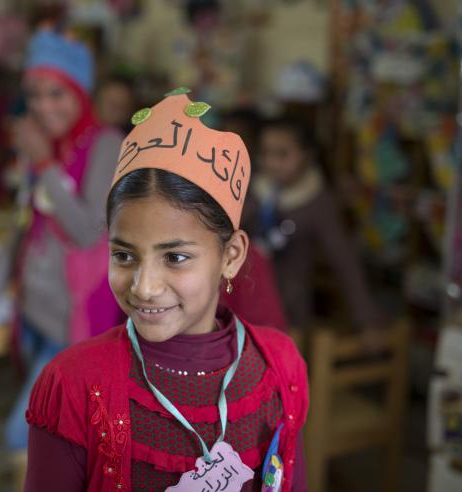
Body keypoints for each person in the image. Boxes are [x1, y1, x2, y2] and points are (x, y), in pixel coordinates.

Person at [25, 90, 308, 491]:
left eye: (174, 258)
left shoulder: (279, 369)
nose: (144, 286)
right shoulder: (74, 384)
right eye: (124, 255)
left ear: (231, 255)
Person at [0, 29, 124, 451]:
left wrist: (43, 163)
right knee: (55, 439)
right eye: (34, 95)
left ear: (81, 92)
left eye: (57, 93)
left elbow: (88, 230)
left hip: (77, 325)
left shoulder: (106, 145)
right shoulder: (45, 146)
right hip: (35, 313)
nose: (43, 106)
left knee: (24, 439)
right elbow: (21, 231)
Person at [244, 116, 382, 332]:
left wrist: (367, 320)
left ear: (307, 155)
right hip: (241, 299)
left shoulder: (318, 202)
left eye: (282, 154)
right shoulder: (251, 188)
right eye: (265, 153)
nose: (271, 162)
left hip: (287, 311)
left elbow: (344, 260)